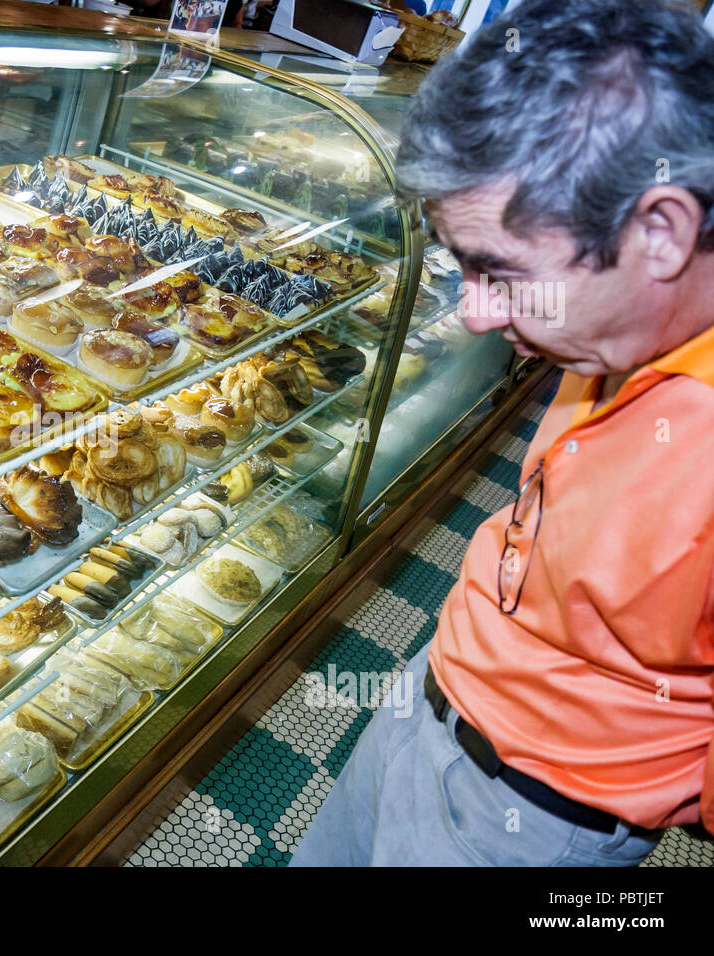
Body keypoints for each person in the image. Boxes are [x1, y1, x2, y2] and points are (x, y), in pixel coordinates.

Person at [291, 0, 714, 866]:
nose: (476, 314)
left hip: (533, 821)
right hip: (435, 690)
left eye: (501, 273)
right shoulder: (628, 322)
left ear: (661, 233)